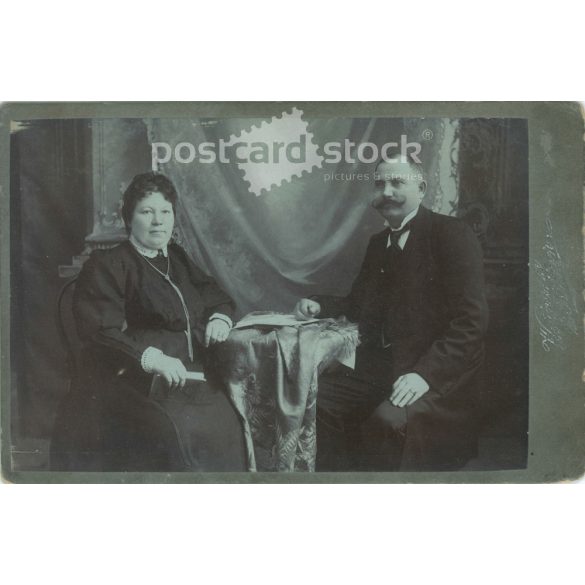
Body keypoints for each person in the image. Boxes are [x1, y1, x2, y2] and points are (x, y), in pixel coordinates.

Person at [294, 156, 489, 471]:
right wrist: (319, 304)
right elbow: (359, 303)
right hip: (383, 365)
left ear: (421, 189)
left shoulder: (452, 234)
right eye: (380, 184)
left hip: (436, 370)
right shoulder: (378, 243)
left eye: (397, 182)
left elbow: (471, 323)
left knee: (388, 421)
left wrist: (425, 374)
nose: (387, 191)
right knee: (317, 403)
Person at [70, 172, 247, 471]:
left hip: (192, 374)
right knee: (182, 434)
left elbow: (214, 293)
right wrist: (152, 359)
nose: (158, 221)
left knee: (229, 423)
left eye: (165, 212)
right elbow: (101, 332)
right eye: (147, 212)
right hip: (134, 380)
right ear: (129, 218)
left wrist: (220, 318)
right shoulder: (109, 264)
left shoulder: (175, 257)